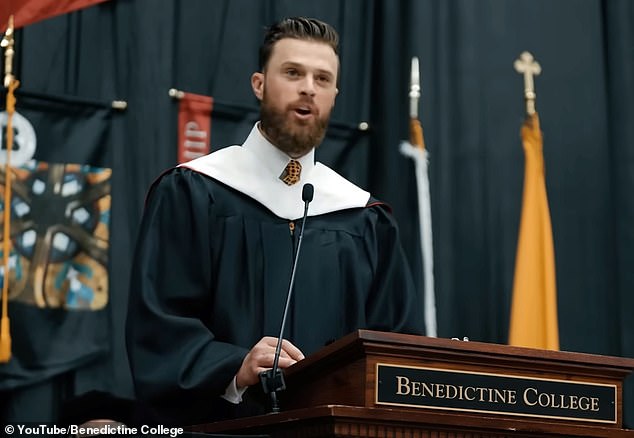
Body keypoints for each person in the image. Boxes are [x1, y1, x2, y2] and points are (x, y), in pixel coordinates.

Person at [125, 16, 424, 426]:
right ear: (259, 84)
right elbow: (160, 326)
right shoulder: (196, 192)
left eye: (323, 79)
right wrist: (234, 367)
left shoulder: (363, 219)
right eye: (292, 72)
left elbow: (395, 350)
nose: (308, 87)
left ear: (334, 95)